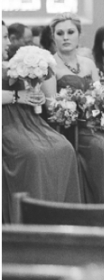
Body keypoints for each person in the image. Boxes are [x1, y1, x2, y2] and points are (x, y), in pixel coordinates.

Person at [50, 14, 104, 203]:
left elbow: (101, 95)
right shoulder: (51, 65)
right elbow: (51, 105)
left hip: (96, 122)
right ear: (53, 37)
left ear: (79, 35)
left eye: (70, 32)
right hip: (71, 127)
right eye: (60, 33)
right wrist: (74, 111)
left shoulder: (89, 64)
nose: (65, 37)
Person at [2, 21, 81, 222]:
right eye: (3, 38)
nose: (7, 42)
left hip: (27, 119)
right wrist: (18, 96)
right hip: (7, 124)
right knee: (33, 154)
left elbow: (39, 95)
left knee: (64, 147)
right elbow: (16, 95)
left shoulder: (11, 64)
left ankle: (64, 218)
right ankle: (33, 219)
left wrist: (36, 90)